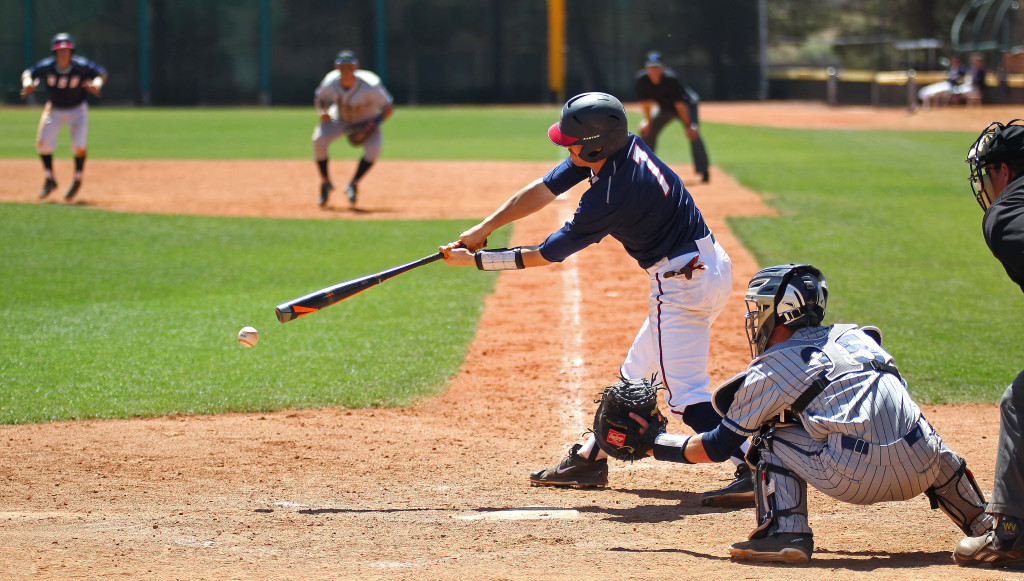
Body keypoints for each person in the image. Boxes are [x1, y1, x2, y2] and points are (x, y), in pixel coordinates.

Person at [438, 92, 752, 505]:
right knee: (634, 378)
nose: (565, 147)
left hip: (682, 285)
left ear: (595, 144)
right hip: (706, 266)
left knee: (685, 397)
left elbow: (545, 255)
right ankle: (590, 458)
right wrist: (485, 226)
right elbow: (545, 188)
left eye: (570, 142)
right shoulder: (623, 147)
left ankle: (755, 466)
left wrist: (475, 262)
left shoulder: (611, 195)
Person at [626, 263, 992, 564]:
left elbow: (720, 446)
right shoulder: (859, 336)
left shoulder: (773, 367)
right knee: (918, 431)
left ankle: (786, 532)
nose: (754, 318)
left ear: (777, 313)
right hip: (925, 467)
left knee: (768, 435)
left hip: (857, 478)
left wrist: (653, 445)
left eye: (758, 309)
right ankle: (984, 522)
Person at [954, 119, 1024, 568]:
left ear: (1004, 171)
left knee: (1019, 402)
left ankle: (1010, 533)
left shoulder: (1006, 214)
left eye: (988, 171)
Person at [20, 32, 108, 201]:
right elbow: (28, 73)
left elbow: (101, 73)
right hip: (54, 109)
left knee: (79, 146)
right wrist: (28, 84)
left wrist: (96, 84)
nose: (63, 54)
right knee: (43, 143)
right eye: (60, 51)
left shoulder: (80, 66)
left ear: (71, 52)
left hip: (77, 110)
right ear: (54, 53)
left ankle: (77, 178)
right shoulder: (48, 66)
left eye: (66, 51)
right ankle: (50, 179)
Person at [312, 50, 393, 208]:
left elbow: (388, 108)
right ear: (337, 68)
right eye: (343, 68)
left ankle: (353, 183)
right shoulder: (330, 81)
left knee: (374, 149)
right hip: (340, 117)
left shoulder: (371, 85)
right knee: (318, 140)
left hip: (366, 118)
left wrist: (374, 122)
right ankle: (325, 182)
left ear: (356, 67)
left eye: (350, 67)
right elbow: (320, 99)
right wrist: (321, 112)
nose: (346, 71)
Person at [635, 51, 710, 183]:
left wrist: (689, 125)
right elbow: (646, 104)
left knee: (693, 133)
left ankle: (703, 170)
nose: (653, 71)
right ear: (646, 68)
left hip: (686, 107)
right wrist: (648, 121)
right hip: (664, 108)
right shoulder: (643, 80)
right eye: (650, 67)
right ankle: (645, 170)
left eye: (656, 67)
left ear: (663, 67)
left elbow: (680, 106)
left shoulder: (671, 79)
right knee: (647, 132)